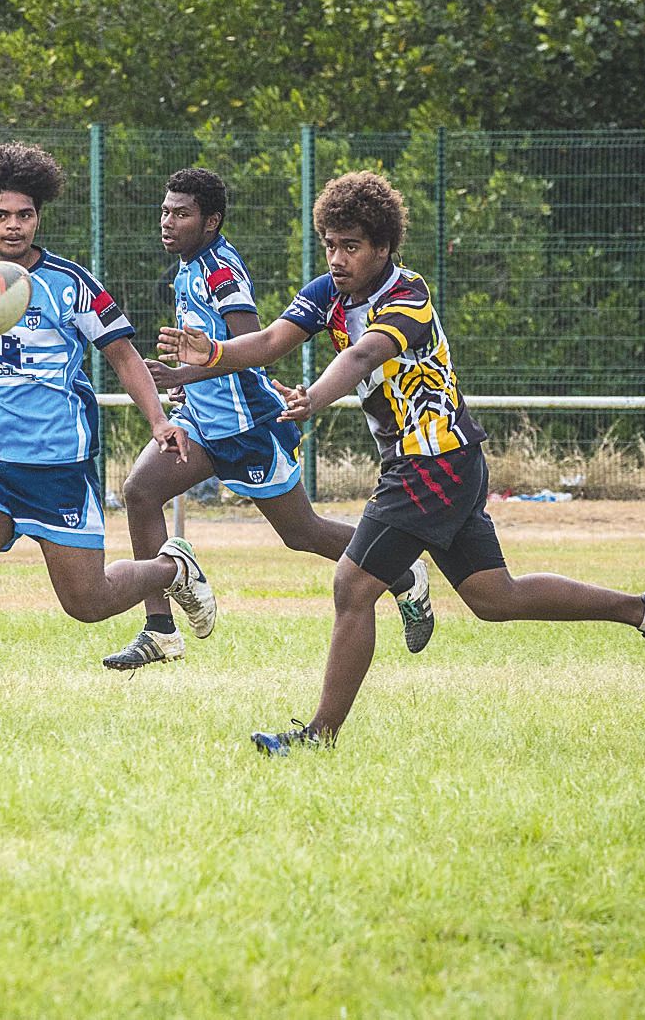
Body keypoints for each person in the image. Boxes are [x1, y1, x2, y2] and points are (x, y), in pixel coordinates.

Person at [160, 170, 645, 753]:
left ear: (383, 246)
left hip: (432, 463)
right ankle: (644, 610)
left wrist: (314, 396)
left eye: (351, 247)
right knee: (494, 598)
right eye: (330, 245)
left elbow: (362, 355)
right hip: (438, 463)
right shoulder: (329, 291)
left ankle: (318, 736)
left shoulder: (408, 297)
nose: (337, 258)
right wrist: (207, 357)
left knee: (352, 586)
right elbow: (266, 342)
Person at [0, 142, 215, 729]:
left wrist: (158, 419)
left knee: (87, 603)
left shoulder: (70, 284)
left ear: (38, 216)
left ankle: (172, 570)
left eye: (25, 214)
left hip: (59, 468)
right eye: (1, 215)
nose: (14, 225)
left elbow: (123, 355)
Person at [102, 167, 431, 670]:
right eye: (165, 211)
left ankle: (403, 571)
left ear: (211, 221)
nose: (167, 222)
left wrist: (197, 363)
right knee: (140, 493)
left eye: (181, 214)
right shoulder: (189, 266)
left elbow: (253, 346)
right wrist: (180, 378)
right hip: (201, 421)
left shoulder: (220, 270)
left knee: (302, 534)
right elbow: (213, 356)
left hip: (247, 428)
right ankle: (161, 629)